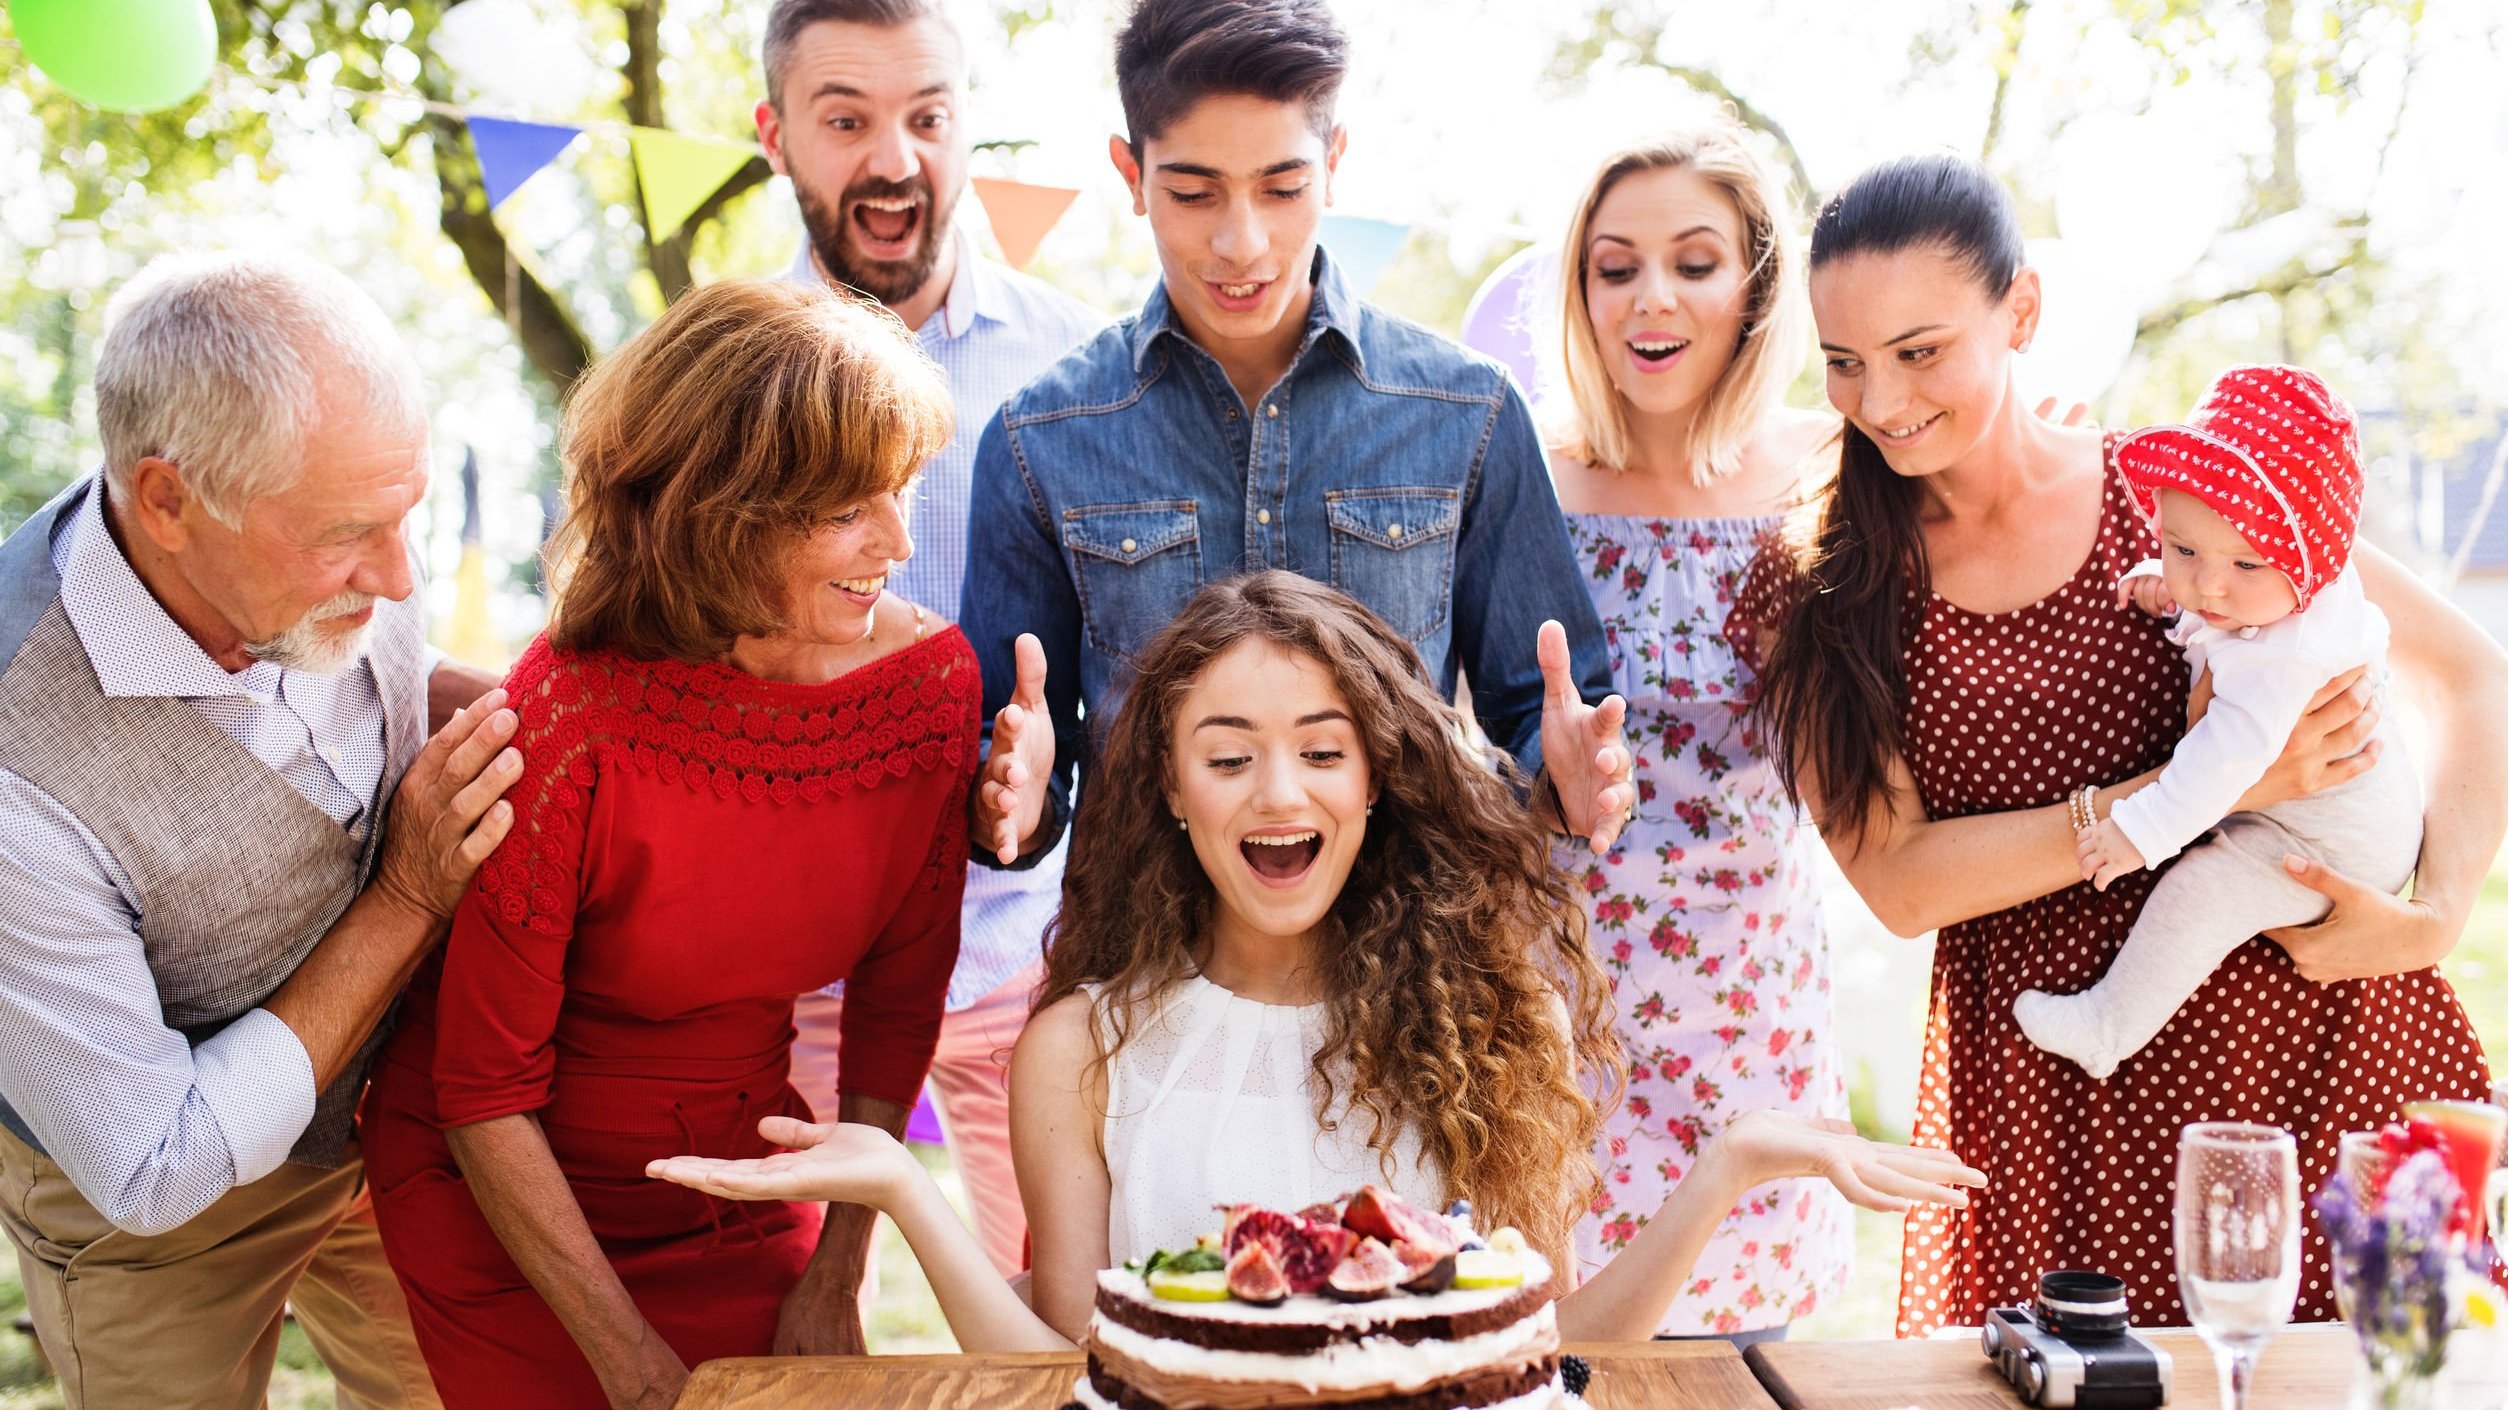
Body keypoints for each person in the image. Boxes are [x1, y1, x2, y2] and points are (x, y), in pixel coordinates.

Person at [650, 571, 1984, 1350]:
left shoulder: (1482, 1009)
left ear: (1382, 779)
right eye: (1227, 755)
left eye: (1323, 750)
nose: (1276, 790)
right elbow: (1067, 1370)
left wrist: (1736, 1157)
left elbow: (1546, 1352)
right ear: (1171, 787)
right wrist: (904, 1187)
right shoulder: (1084, 1045)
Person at [1734, 153, 2507, 1334]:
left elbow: (2471, 674)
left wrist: (2439, 910)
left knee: (2406, 1370)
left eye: (1920, 350)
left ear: (2022, 313)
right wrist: (2177, 793)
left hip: (2326, 1030)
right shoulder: (1819, 585)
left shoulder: (2191, 494)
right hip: (2063, 1099)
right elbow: (1897, 880)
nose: (1880, 400)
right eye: (1843, 363)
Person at [360, 278, 979, 1410]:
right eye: (851, 508)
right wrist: (633, 1369)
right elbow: (482, 1089)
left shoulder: (930, 688)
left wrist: (840, 1271)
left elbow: (900, 1001)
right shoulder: (569, 712)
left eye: (902, 492)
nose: (897, 541)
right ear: (725, 511)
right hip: (512, 1210)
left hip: (739, 1176)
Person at [0, 252, 519, 1409]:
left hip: (393, 1118)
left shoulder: (343, 534)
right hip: (158, 1217)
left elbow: (387, 671)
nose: (396, 573)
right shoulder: (12, 769)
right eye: (350, 535)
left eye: (408, 520)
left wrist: (579, 725)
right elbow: (152, 1164)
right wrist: (409, 899)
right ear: (169, 501)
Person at [960, 0, 1633, 878]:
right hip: (1148, 980)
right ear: (1131, 173)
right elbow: (1004, 760)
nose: (1243, 242)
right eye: (1194, 193)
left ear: (1335, 163)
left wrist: (1571, 787)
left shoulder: (1469, 412)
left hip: (1408, 972)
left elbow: (1543, 721)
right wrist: (1001, 795)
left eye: (1282, 189)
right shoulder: (1036, 441)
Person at [754, 0, 1107, 1285]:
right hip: (786, 971)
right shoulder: (718, 373)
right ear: (775, 135)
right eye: (846, 120)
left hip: (1034, 945)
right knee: (771, 1323)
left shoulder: (1082, 364)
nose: (893, 157)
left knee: (1066, 1322)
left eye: (928, 118)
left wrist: (1049, 774)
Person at [1542, 127, 1850, 1345]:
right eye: (1615, 268)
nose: (1651, 298)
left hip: (1752, 1010)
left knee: (1742, 1356)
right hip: (1562, 1014)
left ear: (1758, 284)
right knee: (1550, 1356)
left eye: (1694, 262)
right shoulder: (1527, 475)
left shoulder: (1833, 471)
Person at [2017, 365, 2422, 1079]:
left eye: (2243, 563)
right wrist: (2168, 585)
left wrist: (2139, 832)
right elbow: (2225, 602)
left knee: (2201, 888)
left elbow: (2225, 761)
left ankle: (2109, 1026)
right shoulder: (2268, 593)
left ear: (2310, 565)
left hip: (2328, 849)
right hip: (2322, 816)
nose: (2208, 585)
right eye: (2183, 549)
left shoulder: (2289, 660)